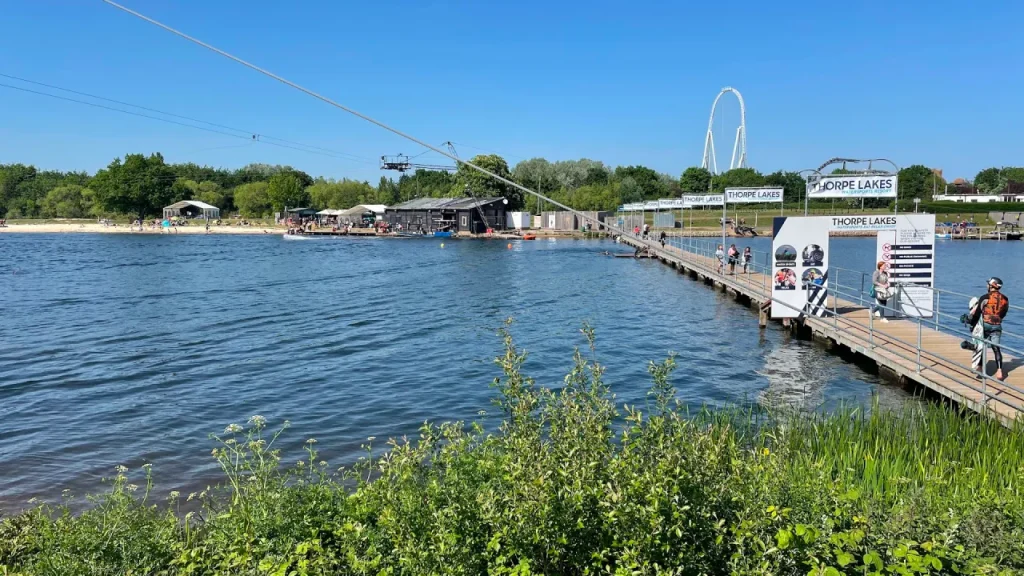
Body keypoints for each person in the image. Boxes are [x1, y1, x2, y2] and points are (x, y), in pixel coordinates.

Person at [969, 277, 1009, 380]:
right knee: (996, 348)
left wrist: (972, 324)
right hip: (997, 325)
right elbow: (1004, 313)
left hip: (985, 324)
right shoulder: (1005, 299)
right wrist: (997, 319)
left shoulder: (985, 297)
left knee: (980, 345)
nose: (987, 286)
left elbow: (977, 313)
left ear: (992, 285)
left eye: (988, 284)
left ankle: (981, 368)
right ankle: (999, 371)